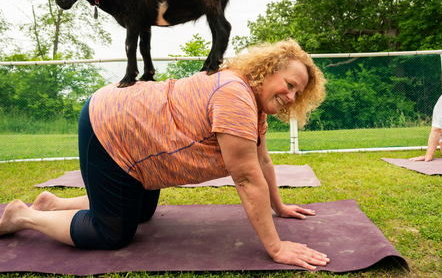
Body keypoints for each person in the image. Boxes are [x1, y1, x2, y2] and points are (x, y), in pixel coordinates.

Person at [0, 40, 329, 270]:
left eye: (298, 93)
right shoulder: (235, 95)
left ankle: (52, 205)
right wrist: (276, 247)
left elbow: (262, 161)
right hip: (110, 127)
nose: (291, 95)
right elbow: (245, 176)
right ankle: (24, 216)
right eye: (288, 84)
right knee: (112, 233)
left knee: (141, 212)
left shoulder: (250, 104)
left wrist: (279, 206)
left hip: (137, 137)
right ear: (266, 70)